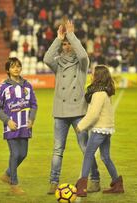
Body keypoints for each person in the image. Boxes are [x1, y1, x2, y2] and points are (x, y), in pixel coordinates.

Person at [43, 20, 100, 194]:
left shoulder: (82, 65)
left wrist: (72, 35)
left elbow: (83, 55)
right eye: (65, 44)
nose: (67, 47)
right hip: (60, 112)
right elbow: (46, 58)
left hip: (78, 112)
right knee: (58, 149)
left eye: (69, 44)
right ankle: (53, 181)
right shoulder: (58, 63)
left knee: (85, 147)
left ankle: (95, 180)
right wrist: (58, 39)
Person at [75, 65, 124, 197]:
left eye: (92, 73)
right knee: (105, 157)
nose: (91, 75)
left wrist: (80, 126)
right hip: (106, 128)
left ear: (98, 76)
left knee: (88, 155)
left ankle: (82, 187)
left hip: (99, 129)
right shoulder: (104, 91)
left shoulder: (98, 93)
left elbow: (94, 114)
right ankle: (117, 184)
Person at [0, 57, 38, 195]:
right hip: (11, 126)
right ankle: (14, 185)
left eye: (18, 66)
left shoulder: (27, 85)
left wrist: (31, 119)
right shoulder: (4, 87)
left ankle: (7, 174)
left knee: (23, 154)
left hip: (25, 125)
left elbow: (34, 104)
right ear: (7, 70)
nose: (16, 68)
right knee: (15, 154)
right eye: (13, 67)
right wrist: (7, 121)